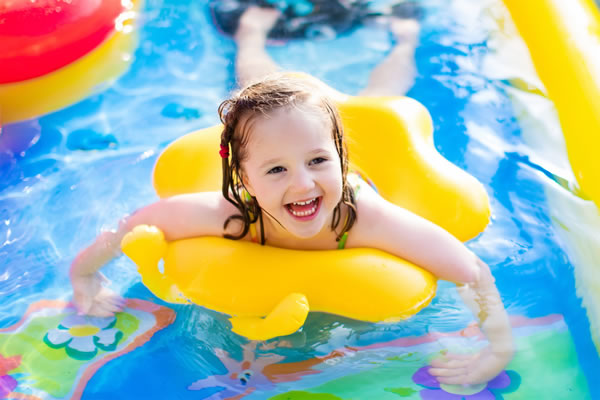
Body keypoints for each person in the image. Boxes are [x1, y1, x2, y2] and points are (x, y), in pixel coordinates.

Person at [70, 6, 513, 386]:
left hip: (351, 156)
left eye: (319, 162)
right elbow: (138, 222)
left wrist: (498, 348)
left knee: (380, 98)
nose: (303, 184)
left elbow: (469, 269)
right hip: (276, 140)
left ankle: (403, 41)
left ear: (340, 157)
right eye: (276, 170)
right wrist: (84, 274)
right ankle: (251, 33)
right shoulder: (233, 215)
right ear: (243, 178)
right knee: (255, 89)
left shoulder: (363, 220)